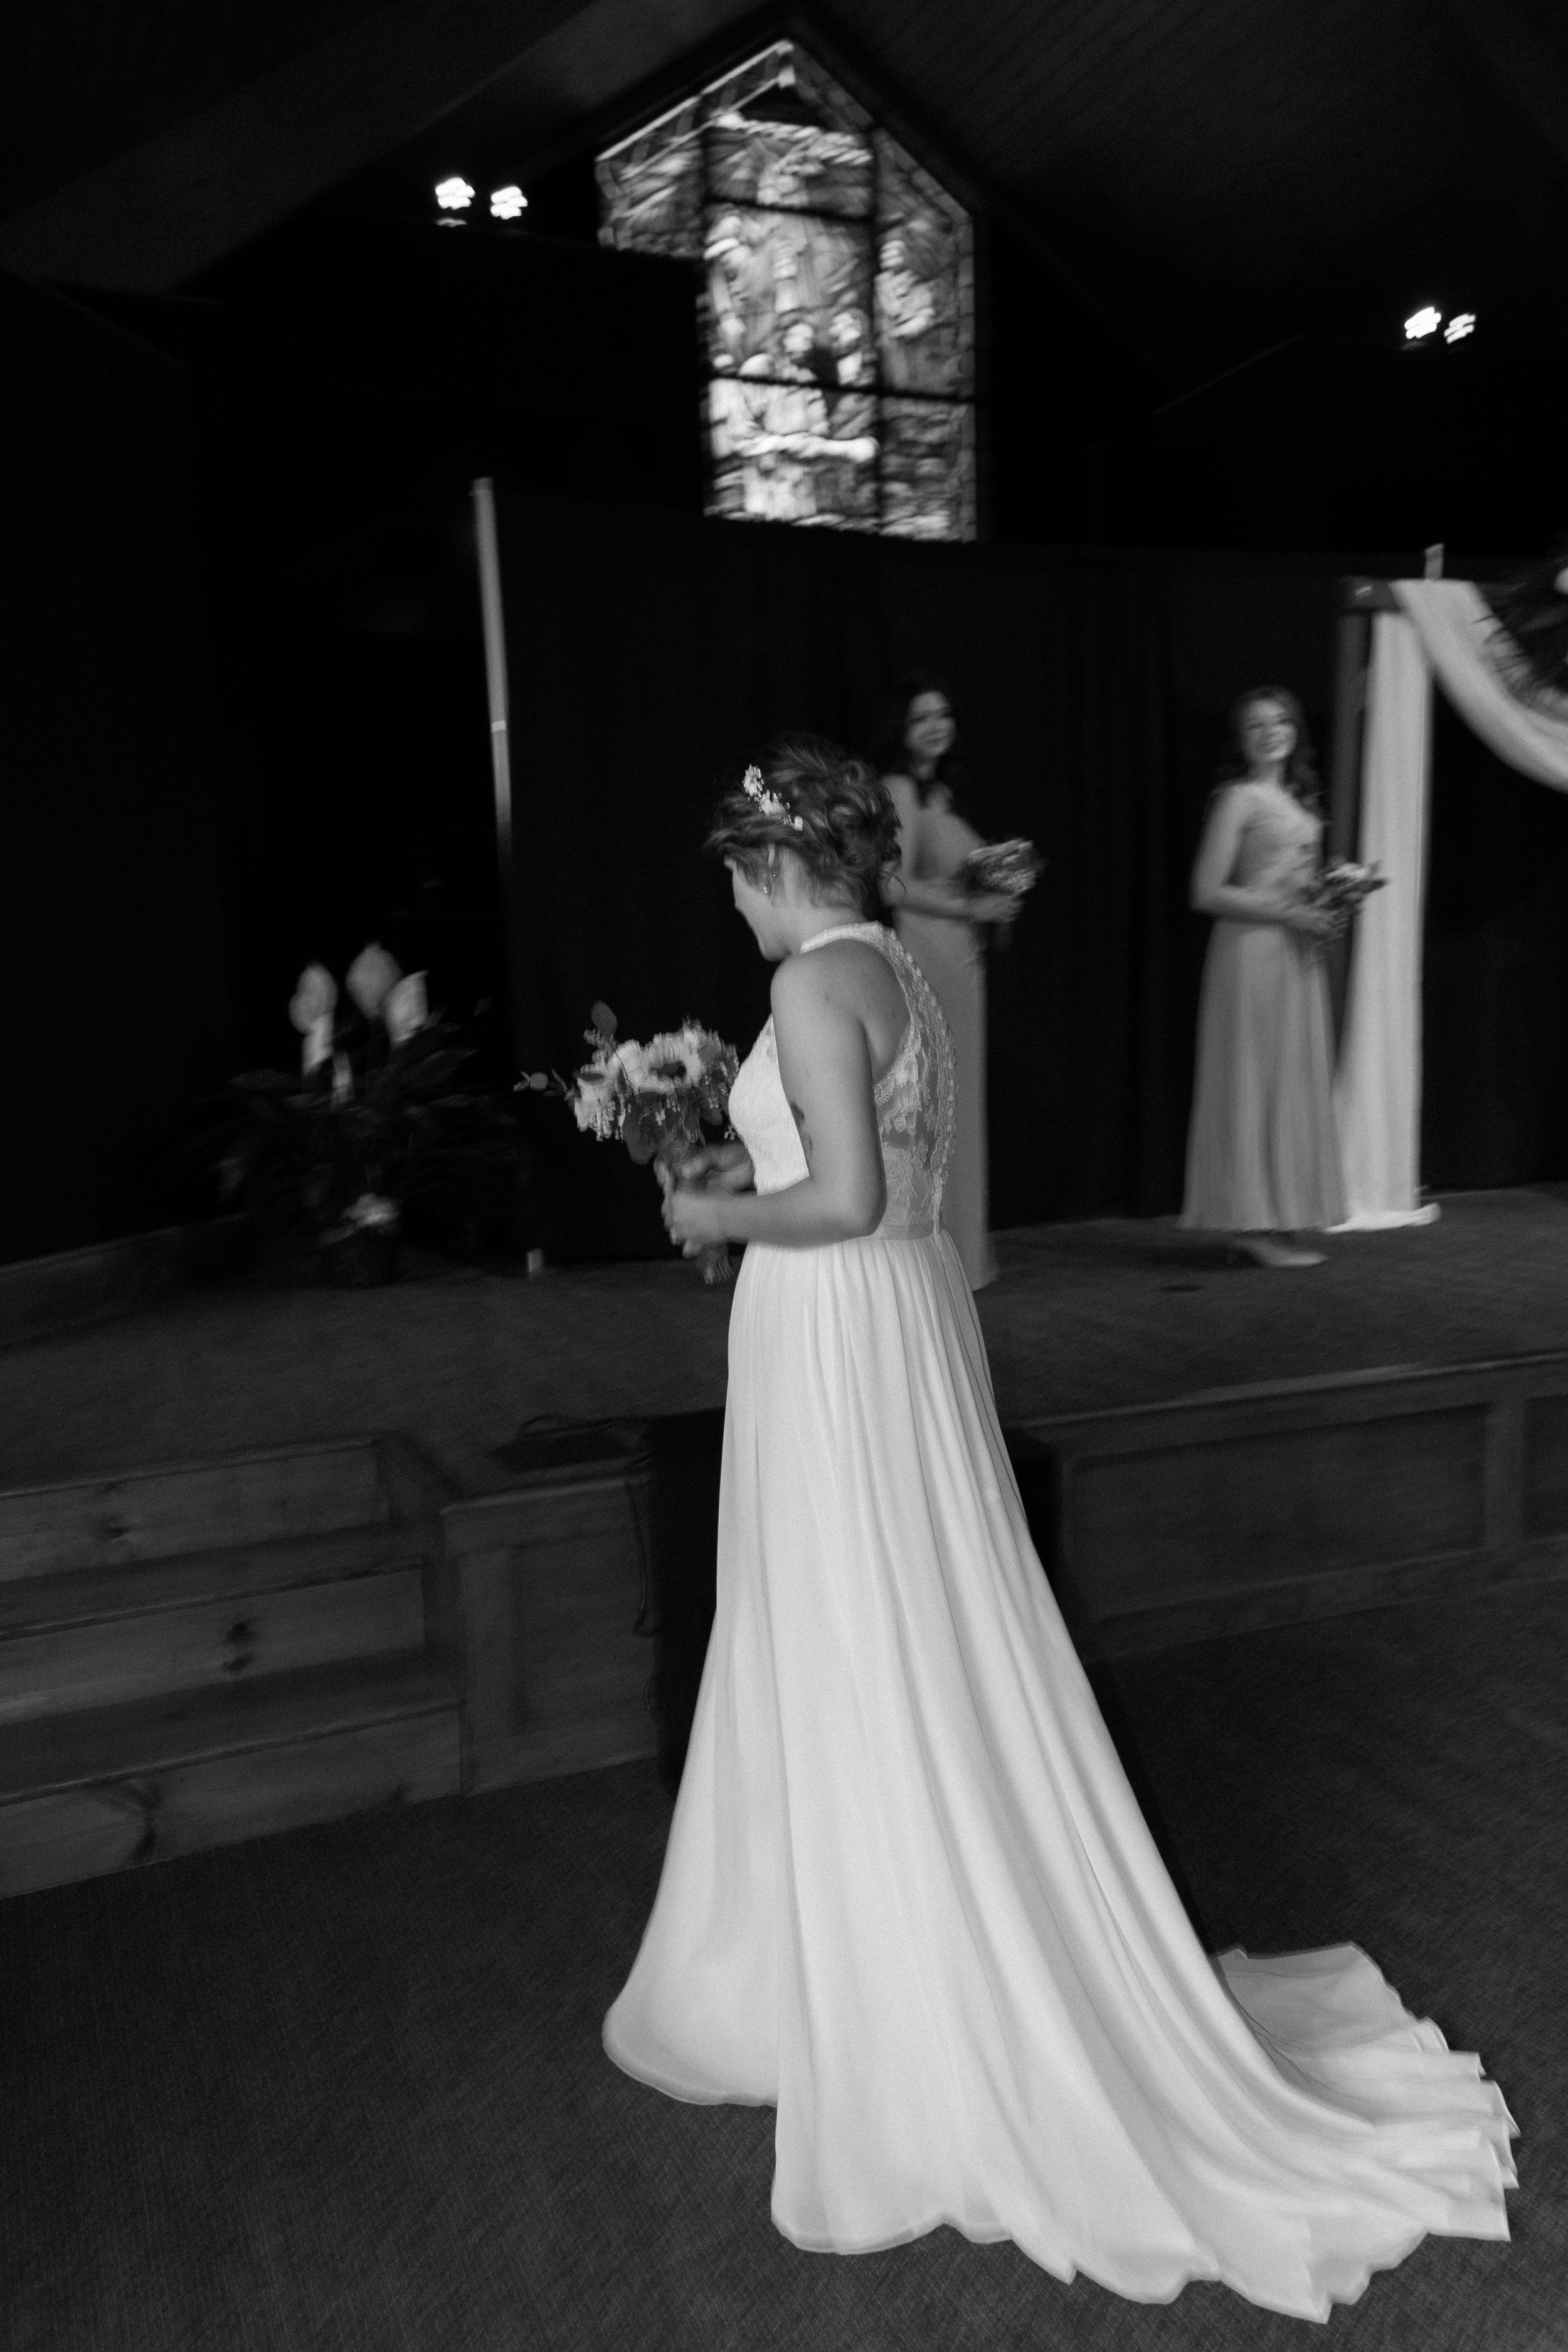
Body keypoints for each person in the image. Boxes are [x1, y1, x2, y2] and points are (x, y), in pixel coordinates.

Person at [601, 733, 1515, 2321]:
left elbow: (843, 1205)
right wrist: (747, 1174)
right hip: (896, 1329)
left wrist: (712, 1210)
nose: (735, 908)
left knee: (851, 1624)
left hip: (839, 1324)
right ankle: (870, 1928)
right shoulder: (891, 958)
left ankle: (893, 1975)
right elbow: (888, 1180)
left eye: (736, 878)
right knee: (898, 1622)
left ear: (773, 867)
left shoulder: (819, 979)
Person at [1182, 687, 1346, 1266]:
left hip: (1295, 954)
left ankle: (1275, 1217)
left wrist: (1327, 902)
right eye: (1256, 725)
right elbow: (1206, 890)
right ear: (1241, 739)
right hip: (1251, 953)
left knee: (1287, 1080)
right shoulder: (1238, 798)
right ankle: (1248, 1224)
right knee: (1251, 1079)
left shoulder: (1298, 800)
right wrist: (1290, 911)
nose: (1271, 731)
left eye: (1280, 720)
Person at [876, 674, 1010, 1290]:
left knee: (955, 1102)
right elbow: (890, 883)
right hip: (929, 954)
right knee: (935, 1100)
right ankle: (931, 1254)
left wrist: (995, 897)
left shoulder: (941, 796)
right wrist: (971, 909)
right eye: (919, 718)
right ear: (900, 730)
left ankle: (955, 1249)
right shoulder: (900, 787)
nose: (935, 725)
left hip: (958, 959)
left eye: (942, 714)